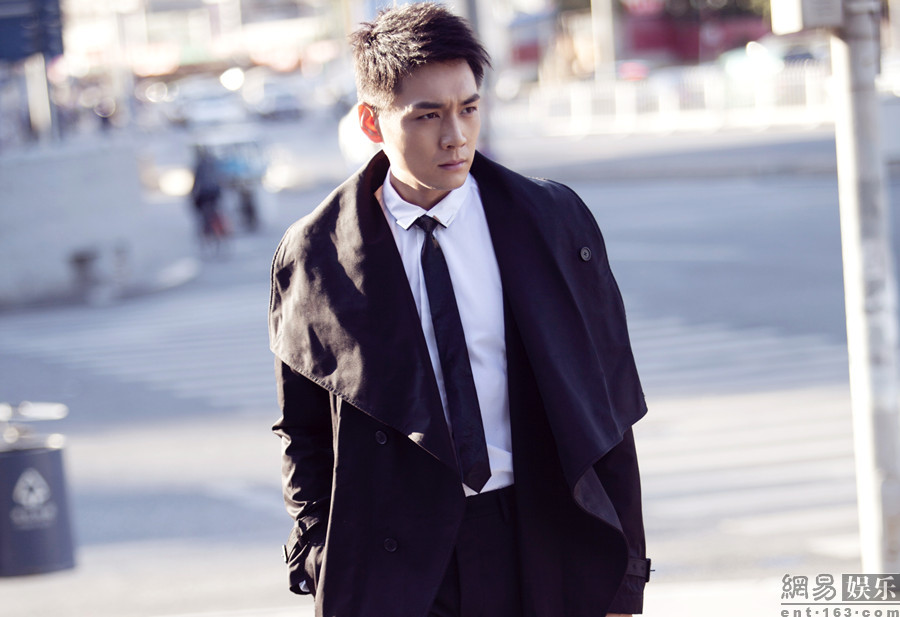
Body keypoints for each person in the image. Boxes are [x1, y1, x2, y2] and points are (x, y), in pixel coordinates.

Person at [269, 3, 650, 616]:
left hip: (540, 533)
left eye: (468, 108)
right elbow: (304, 429)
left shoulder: (550, 222)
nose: (456, 136)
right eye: (428, 115)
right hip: (398, 563)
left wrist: (623, 580)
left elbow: (610, 402)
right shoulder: (317, 253)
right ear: (371, 122)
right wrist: (317, 556)